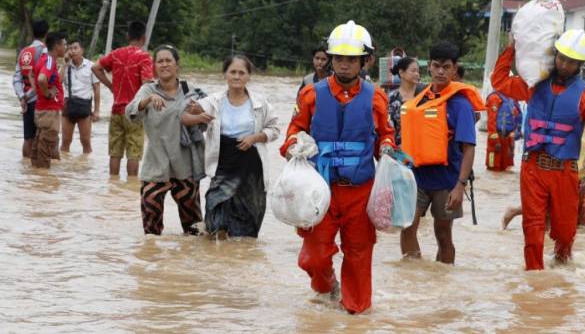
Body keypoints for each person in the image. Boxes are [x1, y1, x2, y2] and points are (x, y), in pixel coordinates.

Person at [279, 20, 395, 314]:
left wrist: (388, 149)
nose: (344, 65)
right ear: (331, 59)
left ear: (364, 61)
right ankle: (327, 285)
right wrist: (293, 144)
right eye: (339, 58)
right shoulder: (310, 95)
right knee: (313, 258)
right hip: (320, 192)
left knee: (359, 255)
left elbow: (387, 136)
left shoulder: (377, 97)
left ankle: (356, 315)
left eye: (351, 59)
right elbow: (293, 131)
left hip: (361, 193)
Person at [491, 30, 585, 270]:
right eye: (561, 58)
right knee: (532, 231)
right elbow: (499, 81)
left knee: (565, 233)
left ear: (580, 64)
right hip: (532, 168)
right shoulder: (534, 85)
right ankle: (534, 281)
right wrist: (510, 48)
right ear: (555, 55)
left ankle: (562, 272)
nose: (564, 65)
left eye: (571, 61)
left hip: (564, 172)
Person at [399, 42, 485, 264]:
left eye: (446, 67)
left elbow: (469, 148)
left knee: (443, 235)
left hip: (447, 181)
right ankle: (414, 279)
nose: (440, 71)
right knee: (407, 227)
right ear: (429, 67)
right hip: (417, 176)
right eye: (436, 66)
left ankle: (443, 280)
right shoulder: (420, 96)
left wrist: (460, 186)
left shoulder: (461, 105)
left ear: (454, 69)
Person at [182, 55, 279, 238]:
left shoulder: (260, 103)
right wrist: (197, 116)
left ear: (248, 77)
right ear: (225, 75)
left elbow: (274, 129)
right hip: (223, 163)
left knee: (249, 215)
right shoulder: (214, 101)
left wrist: (255, 137)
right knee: (214, 204)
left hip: (251, 166)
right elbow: (185, 117)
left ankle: (241, 257)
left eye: (241, 73)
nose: (236, 76)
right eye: (232, 72)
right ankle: (218, 253)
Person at [125, 45, 203, 235]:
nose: (164, 64)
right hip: (156, 164)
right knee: (151, 232)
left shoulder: (188, 89)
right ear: (154, 66)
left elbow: (206, 120)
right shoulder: (148, 89)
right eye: (160, 61)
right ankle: (153, 262)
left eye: (169, 60)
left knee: (193, 229)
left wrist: (199, 112)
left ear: (177, 65)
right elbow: (130, 113)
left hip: (185, 166)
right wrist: (148, 100)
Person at [92, 21, 153, 177]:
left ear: (128, 36)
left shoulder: (116, 54)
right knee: (134, 153)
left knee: (115, 153)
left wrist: (111, 86)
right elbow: (147, 84)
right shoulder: (144, 57)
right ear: (144, 38)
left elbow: (95, 68)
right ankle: (131, 187)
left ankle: (113, 185)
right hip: (135, 111)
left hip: (116, 110)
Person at [13, 19, 49, 158]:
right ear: (46, 34)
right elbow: (42, 79)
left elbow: (16, 78)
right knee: (42, 138)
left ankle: (25, 171)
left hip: (26, 102)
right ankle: (37, 173)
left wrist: (22, 96)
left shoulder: (24, 52)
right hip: (40, 101)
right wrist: (28, 96)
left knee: (28, 138)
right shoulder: (44, 52)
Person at [31, 32, 67, 168]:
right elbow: (41, 79)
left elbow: (35, 77)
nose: (65, 48)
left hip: (42, 109)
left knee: (39, 145)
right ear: (57, 46)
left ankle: (36, 177)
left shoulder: (43, 59)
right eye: (64, 45)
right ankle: (43, 182)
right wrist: (47, 93)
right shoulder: (50, 61)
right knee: (45, 149)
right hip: (49, 110)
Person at [60, 39, 100, 154]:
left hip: (84, 107)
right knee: (65, 142)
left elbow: (97, 89)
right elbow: (58, 83)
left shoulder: (91, 66)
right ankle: (64, 167)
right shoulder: (66, 66)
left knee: (86, 142)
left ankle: (85, 168)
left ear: (82, 50)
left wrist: (96, 111)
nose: (73, 51)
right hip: (68, 106)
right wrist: (64, 64)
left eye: (75, 48)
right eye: (70, 48)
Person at [387, 57, 423, 146]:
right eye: (413, 71)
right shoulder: (392, 98)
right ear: (401, 73)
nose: (417, 74)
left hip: (423, 147)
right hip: (400, 151)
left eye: (418, 71)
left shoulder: (424, 94)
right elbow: (389, 127)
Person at [485, 91, 521, 171]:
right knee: (494, 167)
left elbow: (514, 120)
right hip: (496, 138)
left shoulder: (512, 99)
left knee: (506, 167)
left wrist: (512, 141)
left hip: (508, 140)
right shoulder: (494, 97)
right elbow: (491, 121)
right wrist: (495, 140)